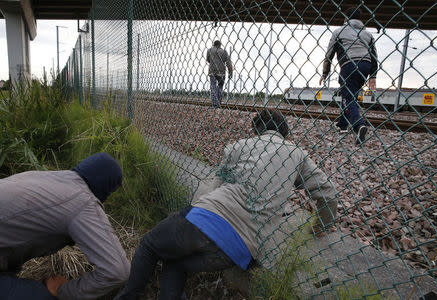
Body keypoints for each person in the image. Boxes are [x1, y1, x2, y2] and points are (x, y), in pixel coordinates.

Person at [114, 109, 337, 299]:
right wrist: (321, 226)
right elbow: (327, 192)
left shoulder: (240, 146)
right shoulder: (296, 154)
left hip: (207, 219)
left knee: (150, 245)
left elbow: (213, 183)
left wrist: (194, 212)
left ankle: (127, 296)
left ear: (257, 130)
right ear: (284, 132)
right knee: (176, 262)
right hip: (239, 250)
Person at [0, 153, 130, 300]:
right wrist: (63, 291)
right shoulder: (83, 202)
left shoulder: (49, 177)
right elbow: (118, 271)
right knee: (41, 296)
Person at [320, 7, 378, 145]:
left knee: (347, 97)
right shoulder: (368, 35)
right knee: (350, 95)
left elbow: (329, 54)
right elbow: (374, 55)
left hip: (349, 64)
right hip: (366, 65)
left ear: (346, 19)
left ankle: (359, 125)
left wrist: (325, 72)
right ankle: (342, 125)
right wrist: (373, 75)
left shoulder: (338, 32)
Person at [206, 40, 233, 108]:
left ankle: (214, 104)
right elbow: (228, 63)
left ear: (213, 44)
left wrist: (213, 61)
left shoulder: (209, 50)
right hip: (221, 72)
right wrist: (230, 72)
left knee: (213, 86)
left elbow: (208, 60)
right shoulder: (224, 52)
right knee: (220, 87)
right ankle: (218, 103)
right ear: (220, 45)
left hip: (212, 71)